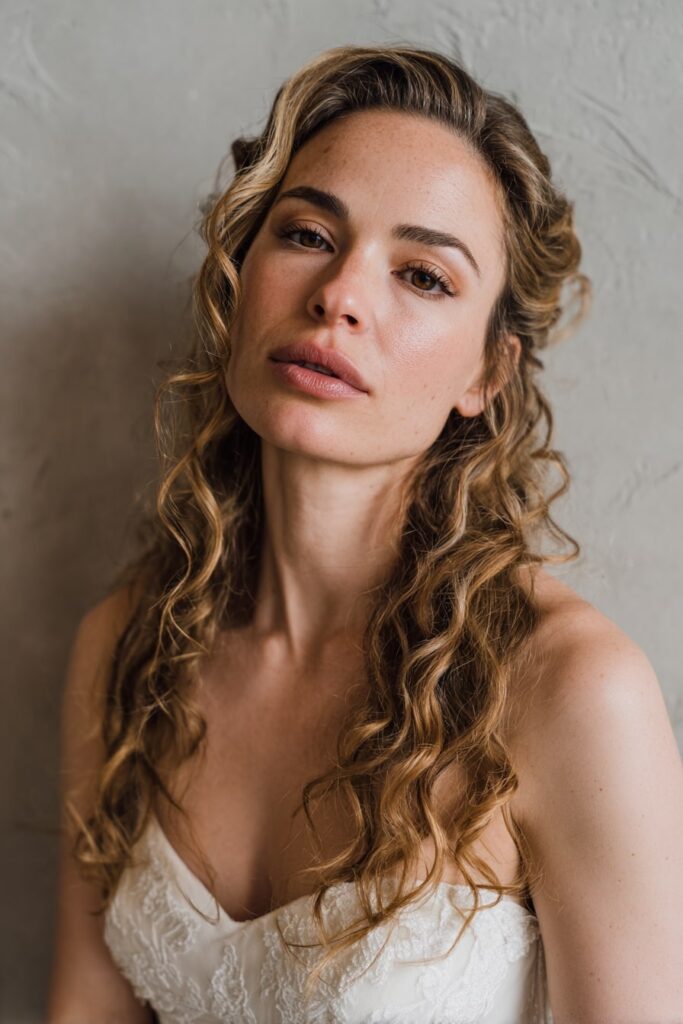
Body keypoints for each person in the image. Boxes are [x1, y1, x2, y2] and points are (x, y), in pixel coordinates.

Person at [47, 44, 683, 1024]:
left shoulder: (568, 689)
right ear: (239, 277)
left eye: (422, 276)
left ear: (487, 373)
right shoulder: (129, 644)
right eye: (306, 234)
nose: (339, 295)